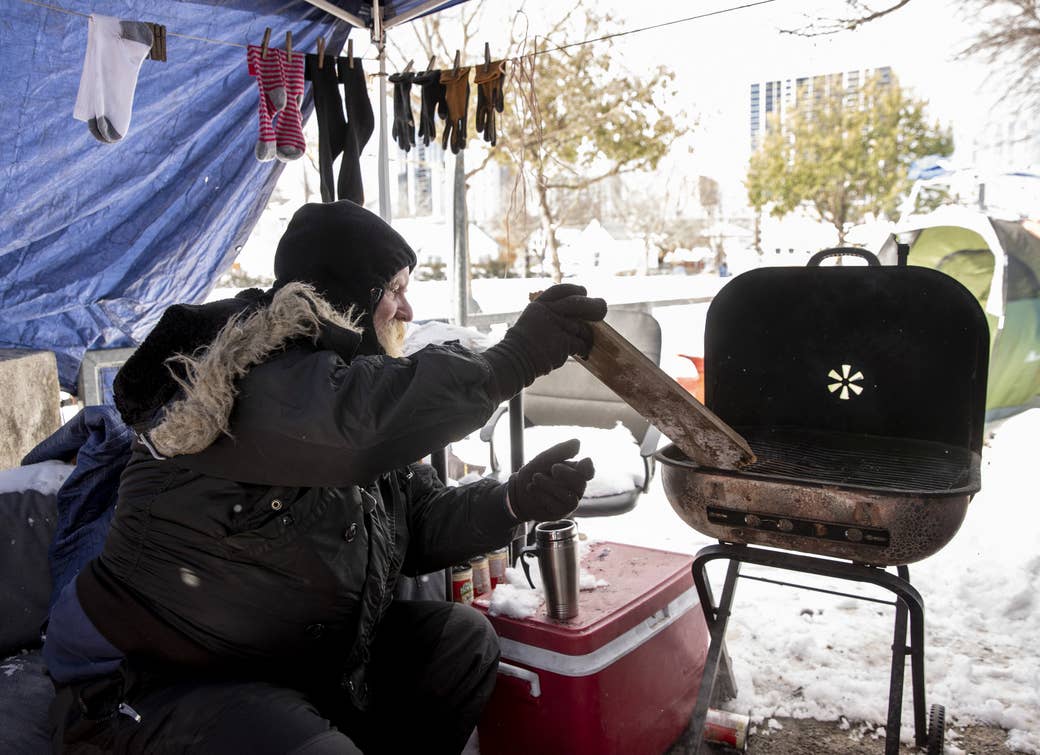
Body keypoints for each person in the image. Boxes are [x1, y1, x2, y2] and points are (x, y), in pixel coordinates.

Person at [43, 200, 607, 754]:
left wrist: (510, 502)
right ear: (351, 297)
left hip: (293, 670)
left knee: (458, 642)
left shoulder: (335, 390)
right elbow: (356, 427)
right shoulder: (235, 376)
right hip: (157, 681)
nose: (407, 311)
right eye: (394, 289)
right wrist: (511, 361)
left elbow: (415, 519)